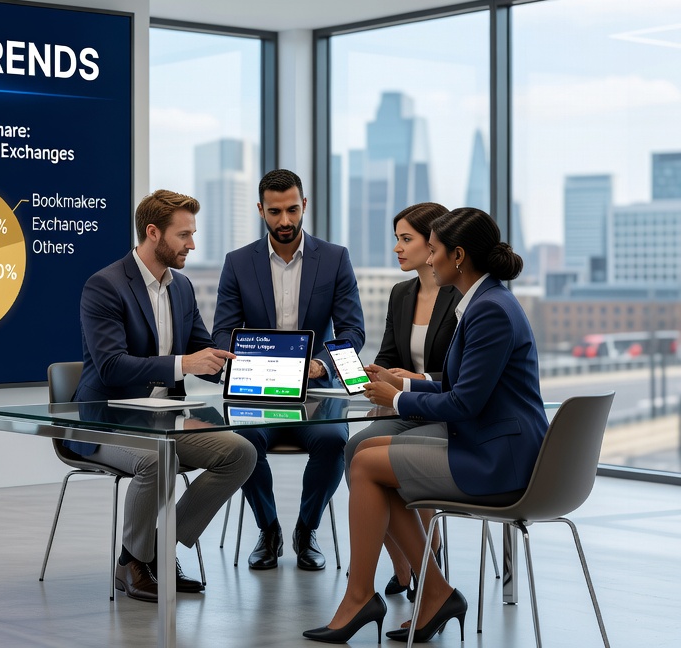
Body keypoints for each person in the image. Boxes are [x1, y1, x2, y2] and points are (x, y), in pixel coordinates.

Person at [305, 207, 548, 644]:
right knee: (369, 461)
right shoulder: (485, 301)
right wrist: (398, 384)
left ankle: (364, 596)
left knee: (364, 466)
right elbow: (460, 389)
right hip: (489, 444)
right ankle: (432, 591)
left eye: (433, 250)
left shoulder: (489, 310)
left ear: (458, 256)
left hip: (498, 460)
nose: (429, 261)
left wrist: (397, 397)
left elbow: (464, 403)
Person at [75, 189, 258, 603]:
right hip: (106, 419)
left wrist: (258, 372)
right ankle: (132, 564)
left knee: (240, 453)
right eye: (184, 235)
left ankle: (156, 549)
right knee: (157, 459)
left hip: (166, 419)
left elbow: (203, 351)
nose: (192, 245)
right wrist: (184, 365)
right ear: (153, 232)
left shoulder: (182, 287)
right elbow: (111, 366)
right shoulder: (104, 286)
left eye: (193, 234)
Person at [212, 169, 365, 571]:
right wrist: (249, 365)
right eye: (275, 211)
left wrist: (321, 364)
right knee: (240, 443)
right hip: (257, 395)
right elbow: (224, 333)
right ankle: (269, 530)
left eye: (292, 210)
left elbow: (353, 331)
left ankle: (306, 529)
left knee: (335, 440)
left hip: (315, 394)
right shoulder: (237, 263)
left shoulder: (334, 259)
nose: (285, 221)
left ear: (304, 206)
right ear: (261, 210)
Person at [343, 202, 461, 600]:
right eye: (396, 239)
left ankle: (427, 555)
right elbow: (391, 356)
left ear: (434, 243)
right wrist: (381, 374)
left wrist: (419, 380)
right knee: (356, 446)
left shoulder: (461, 296)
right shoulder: (401, 293)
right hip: (406, 407)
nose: (397, 247)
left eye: (406, 239)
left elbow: (464, 379)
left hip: (444, 412)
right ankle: (401, 563)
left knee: (393, 453)